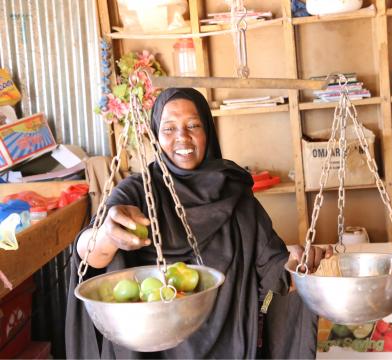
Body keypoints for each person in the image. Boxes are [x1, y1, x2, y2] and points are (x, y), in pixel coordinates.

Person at [66, 87, 327, 359]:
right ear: (155, 135)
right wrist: (108, 234)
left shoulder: (233, 191)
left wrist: (299, 263)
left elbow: (273, 268)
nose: (182, 137)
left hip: (226, 340)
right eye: (169, 129)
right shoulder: (136, 191)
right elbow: (89, 255)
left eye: (193, 125)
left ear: (208, 132)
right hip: (150, 342)